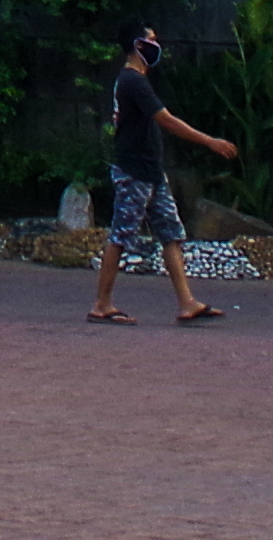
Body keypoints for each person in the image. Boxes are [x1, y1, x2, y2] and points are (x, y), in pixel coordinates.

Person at [86, 25, 237, 325]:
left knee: (171, 234)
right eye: (152, 40)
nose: (158, 45)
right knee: (121, 236)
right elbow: (166, 120)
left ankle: (187, 302)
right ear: (137, 44)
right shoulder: (133, 81)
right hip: (134, 171)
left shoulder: (137, 80)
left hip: (151, 171)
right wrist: (209, 141)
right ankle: (101, 304)